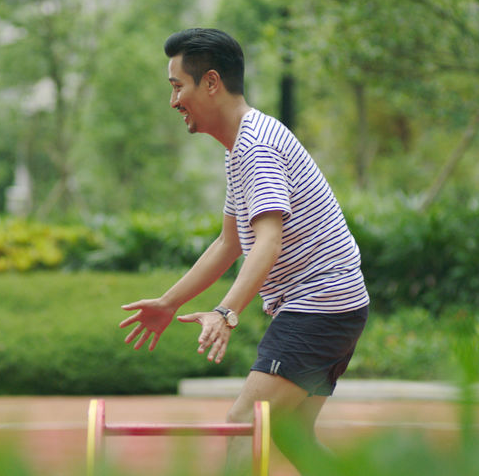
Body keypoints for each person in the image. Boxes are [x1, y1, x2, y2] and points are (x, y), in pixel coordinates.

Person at [120, 28, 369, 475]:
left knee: (244, 424)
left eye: (178, 87)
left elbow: (268, 242)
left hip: (320, 305)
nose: (173, 101)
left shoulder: (255, 147)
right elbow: (229, 243)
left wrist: (226, 312)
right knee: (292, 436)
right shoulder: (243, 147)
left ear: (211, 82)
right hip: (334, 306)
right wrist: (168, 303)